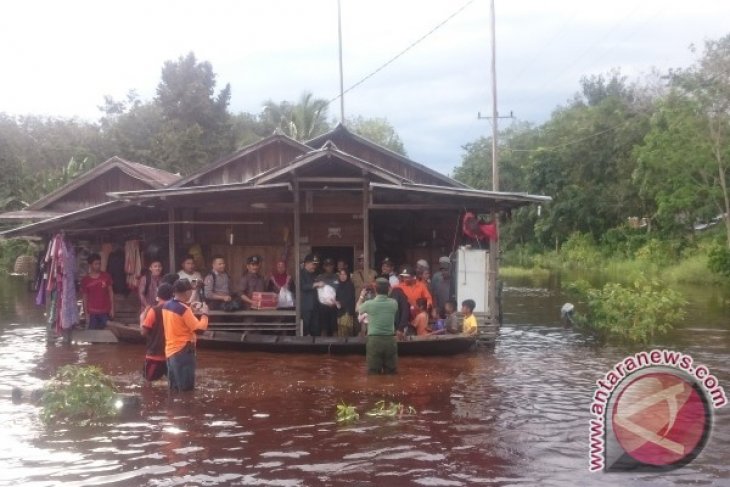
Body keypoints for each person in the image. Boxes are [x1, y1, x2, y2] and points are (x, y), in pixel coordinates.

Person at [162, 279, 210, 391]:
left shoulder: (167, 305)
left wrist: (190, 307)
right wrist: (205, 314)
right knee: (187, 390)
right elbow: (200, 329)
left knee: (174, 389)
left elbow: (178, 307)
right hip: (183, 351)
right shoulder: (184, 310)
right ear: (187, 292)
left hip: (170, 351)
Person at [357, 278, 398, 374]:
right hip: (390, 341)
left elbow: (357, 308)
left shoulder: (369, 304)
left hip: (374, 341)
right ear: (389, 289)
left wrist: (362, 296)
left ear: (375, 289)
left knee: (373, 373)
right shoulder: (393, 303)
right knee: (391, 373)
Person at [139, 283, 173, 382]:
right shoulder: (175, 310)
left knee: (147, 387)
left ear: (158, 296)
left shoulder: (154, 311)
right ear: (172, 296)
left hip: (154, 357)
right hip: (171, 357)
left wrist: (142, 319)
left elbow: (143, 332)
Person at [81, 253, 114, 329]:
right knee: (93, 336)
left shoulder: (106, 276)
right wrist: (86, 314)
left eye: (99, 263)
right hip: (92, 313)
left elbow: (111, 292)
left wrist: (112, 309)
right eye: (96, 264)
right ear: (90, 265)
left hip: (105, 312)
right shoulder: (85, 280)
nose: (98, 266)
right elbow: (85, 297)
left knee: (106, 335)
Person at [300, 254, 322, 336]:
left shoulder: (314, 274)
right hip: (306, 306)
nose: (315, 266)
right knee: (306, 328)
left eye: (315, 264)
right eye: (313, 264)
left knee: (316, 329)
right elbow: (302, 286)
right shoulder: (301, 274)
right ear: (307, 263)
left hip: (315, 306)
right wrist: (315, 284)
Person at [316, 257, 339, 336]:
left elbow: (341, 291)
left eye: (331, 265)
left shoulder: (337, 277)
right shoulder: (319, 277)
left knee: (335, 328)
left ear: (333, 266)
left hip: (335, 306)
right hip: (323, 307)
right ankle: (322, 347)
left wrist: (335, 302)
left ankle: (337, 347)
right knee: (323, 328)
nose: (329, 267)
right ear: (324, 267)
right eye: (327, 265)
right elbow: (318, 293)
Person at [335, 269, 356, 337]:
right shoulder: (338, 286)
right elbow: (337, 297)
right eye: (341, 274)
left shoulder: (350, 285)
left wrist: (340, 304)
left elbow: (349, 299)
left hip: (347, 312)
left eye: (344, 274)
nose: (342, 276)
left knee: (346, 332)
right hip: (339, 312)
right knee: (341, 332)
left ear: (347, 276)